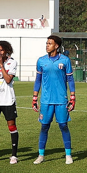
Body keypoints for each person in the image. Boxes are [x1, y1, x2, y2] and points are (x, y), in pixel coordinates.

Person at [32, 34, 75, 165]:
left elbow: (70, 79)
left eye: (49, 43)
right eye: (47, 43)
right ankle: (41, 155)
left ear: (56, 46)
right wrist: (35, 97)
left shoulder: (65, 60)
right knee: (44, 126)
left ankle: (68, 155)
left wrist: (72, 97)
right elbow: (38, 80)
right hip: (46, 100)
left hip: (61, 100)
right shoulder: (41, 61)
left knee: (63, 125)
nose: (47, 45)